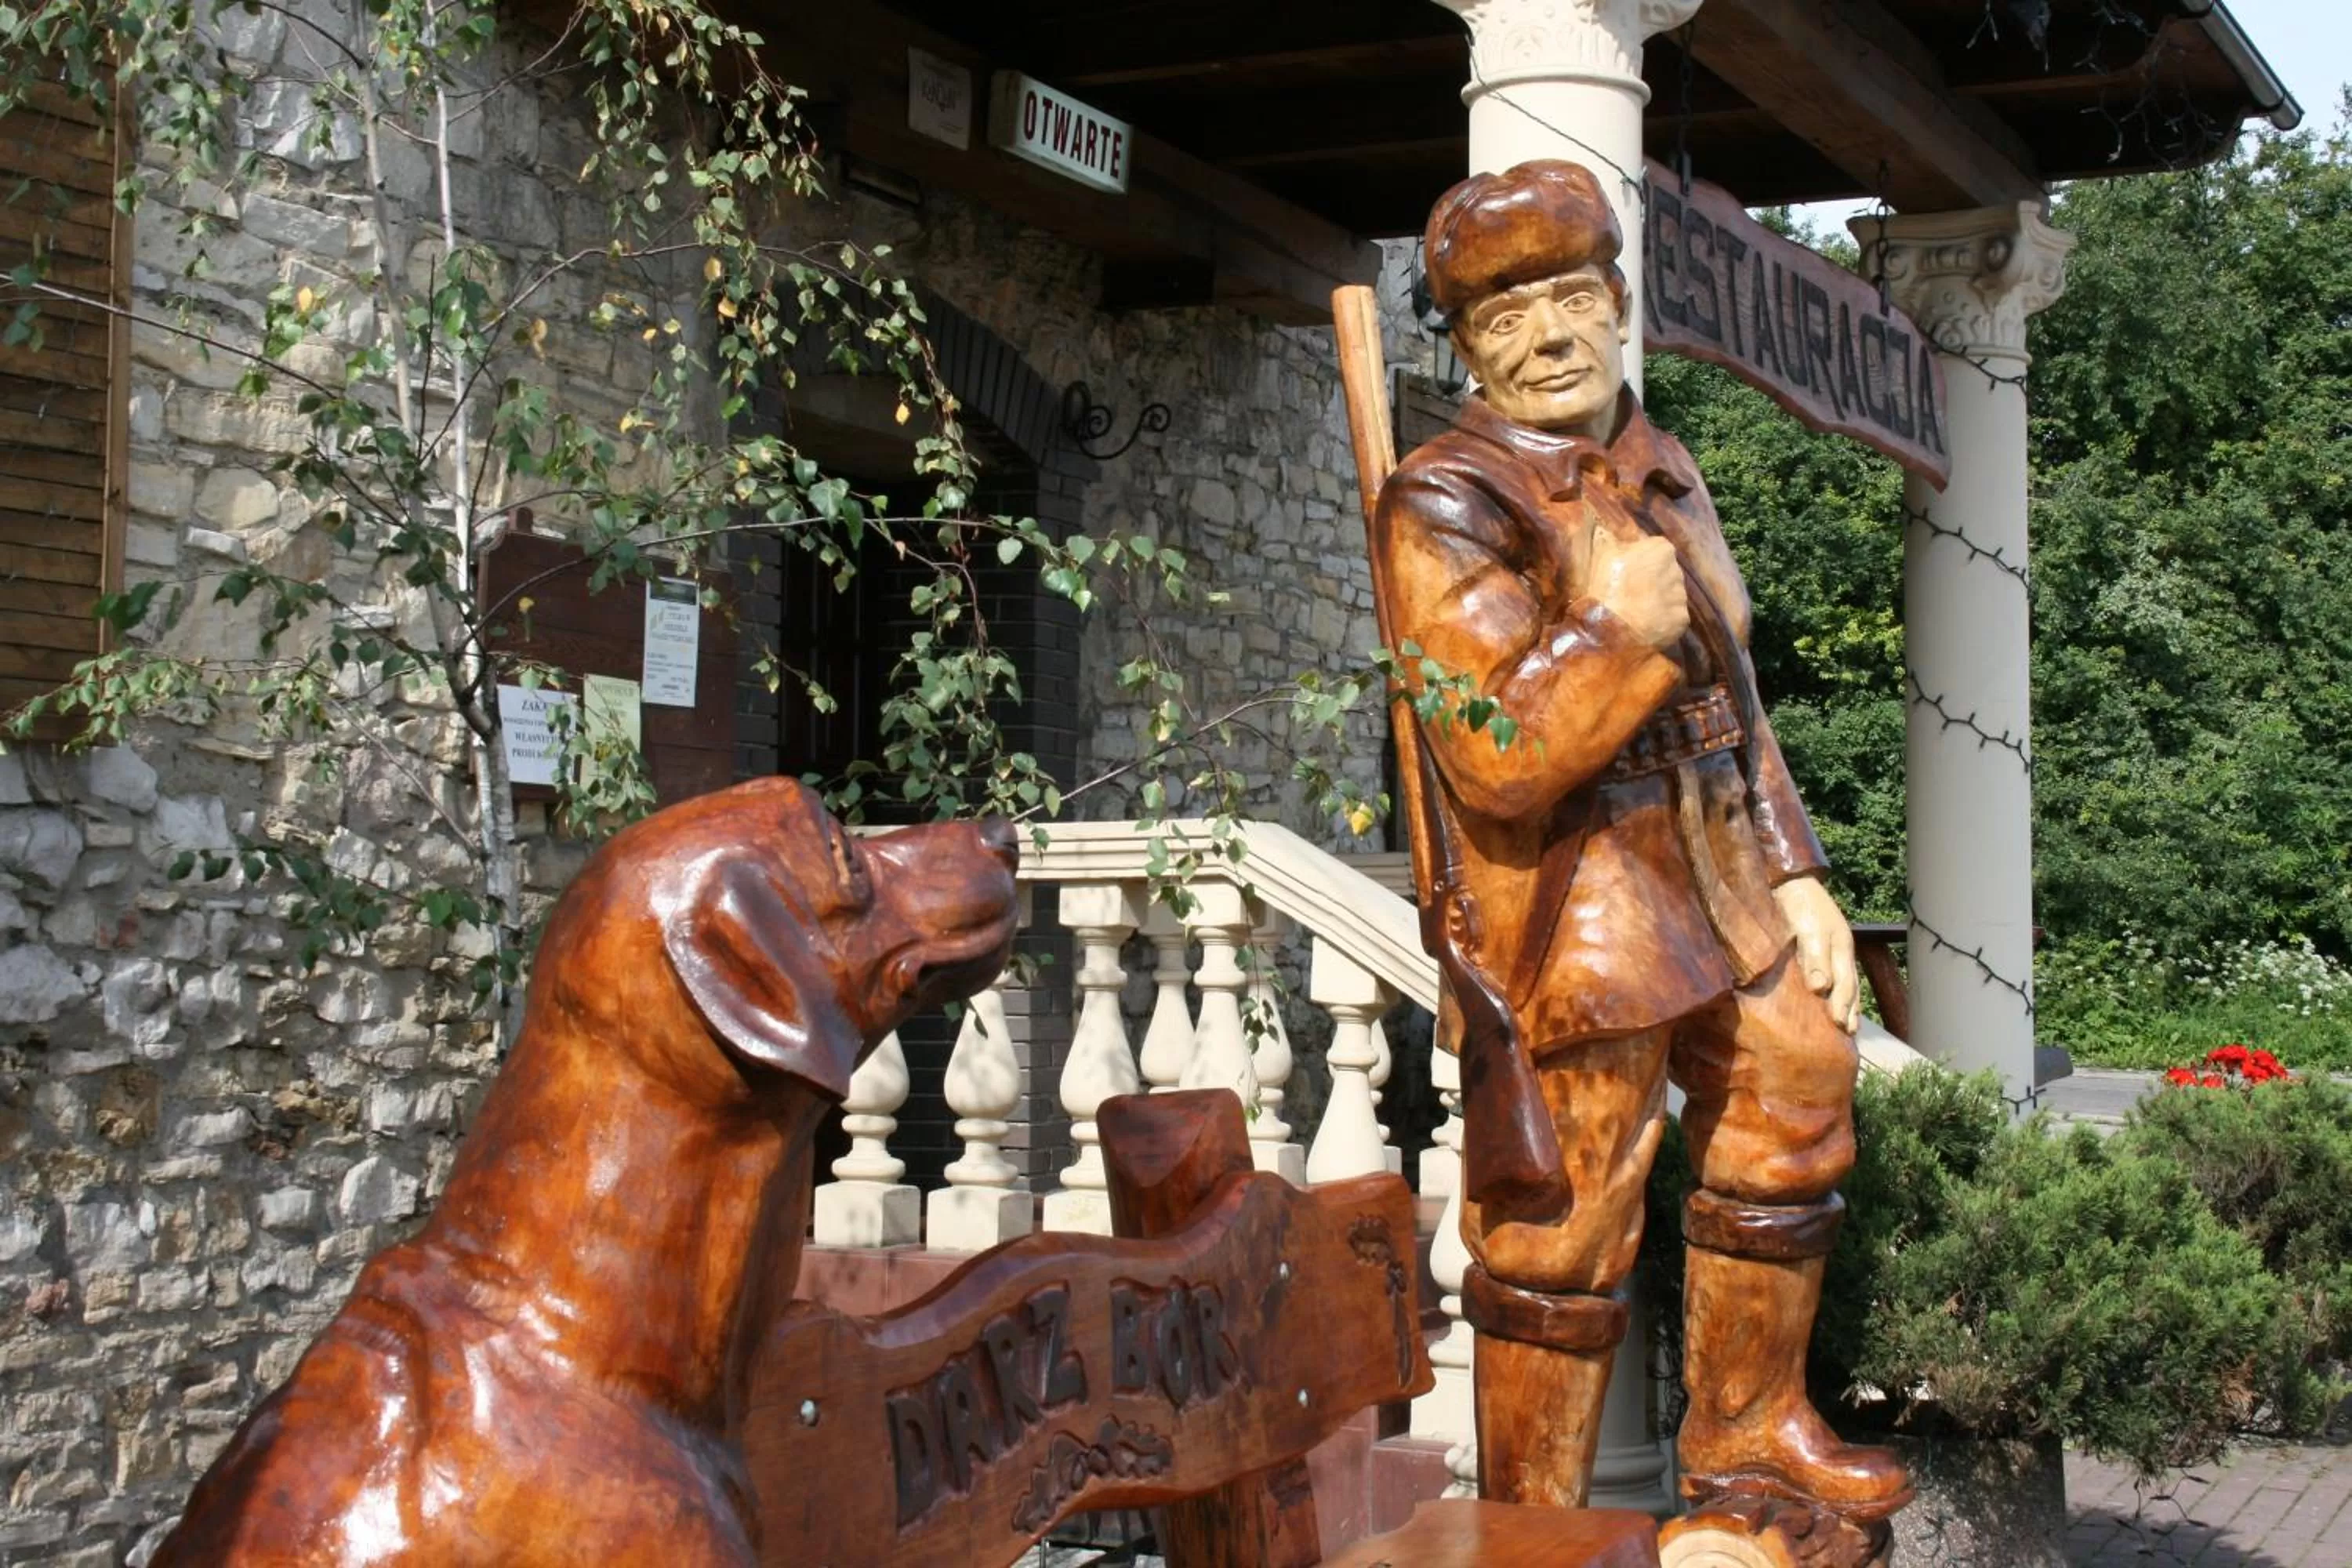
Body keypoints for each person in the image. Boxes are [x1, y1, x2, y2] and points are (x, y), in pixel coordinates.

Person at [1368, 159, 1911, 1523]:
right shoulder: (1447, 499)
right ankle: (1534, 1523)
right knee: (1563, 1217)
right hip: (1579, 905)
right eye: (1504, 320)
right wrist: (1610, 626)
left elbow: (1735, 697)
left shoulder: (1662, 463)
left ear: (1617, 304)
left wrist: (1797, 872)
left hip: (1718, 868)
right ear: (1472, 348)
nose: (1546, 339)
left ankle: (1750, 1436)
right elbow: (1493, 754)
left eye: (1567, 299)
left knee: (1798, 1091)